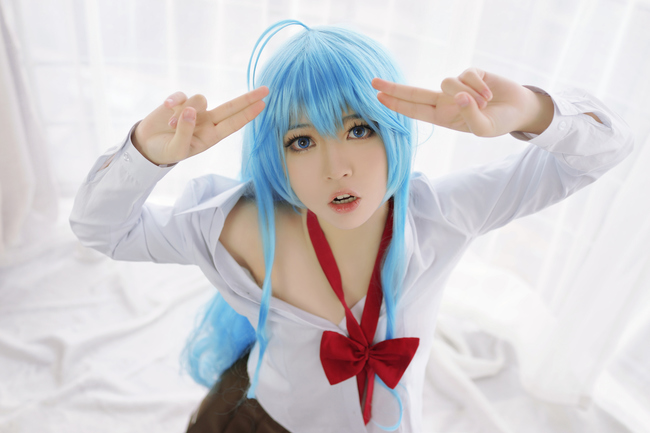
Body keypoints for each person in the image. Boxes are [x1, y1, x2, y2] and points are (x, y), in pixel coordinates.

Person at [69, 19, 634, 433]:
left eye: (359, 129)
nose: (335, 166)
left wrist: (533, 112)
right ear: (274, 153)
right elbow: (102, 229)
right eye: (302, 140)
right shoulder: (232, 227)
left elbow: (604, 151)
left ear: (395, 128)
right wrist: (146, 155)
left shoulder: (440, 215)